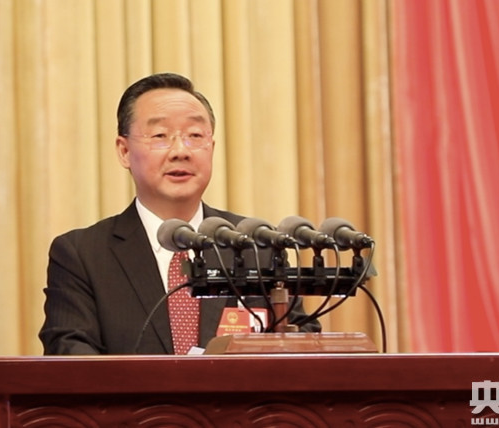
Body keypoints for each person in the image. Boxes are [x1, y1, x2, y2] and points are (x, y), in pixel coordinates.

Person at [39, 72, 320, 355]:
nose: (180, 151)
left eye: (194, 136)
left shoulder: (255, 246)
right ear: (124, 151)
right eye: (160, 136)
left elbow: (303, 346)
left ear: (211, 147)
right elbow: (70, 353)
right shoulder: (82, 255)